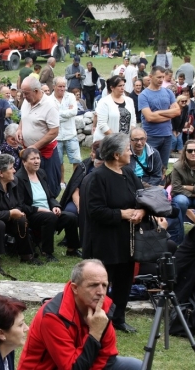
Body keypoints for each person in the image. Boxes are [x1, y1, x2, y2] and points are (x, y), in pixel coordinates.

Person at [17, 259, 143, 369]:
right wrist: (95, 333)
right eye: (93, 285)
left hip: (84, 364)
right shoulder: (53, 317)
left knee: (136, 366)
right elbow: (72, 367)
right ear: (75, 288)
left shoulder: (103, 307)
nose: (101, 292)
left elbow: (107, 356)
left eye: (104, 285)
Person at [81, 133, 145, 333]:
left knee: (125, 280)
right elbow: (95, 211)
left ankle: (118, 317)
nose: (130, 151)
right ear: (116, 154)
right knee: (101, 282)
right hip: (104, 240)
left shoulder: (128, 173)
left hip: (127, 238)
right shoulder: (97, 178)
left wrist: (142, 210)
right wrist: (122, 214)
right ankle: (97, 318)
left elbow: (142, 196)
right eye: (127, 149)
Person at [16, 148, 81, 262]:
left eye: (38, 158)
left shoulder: (41, 173)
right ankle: (47, 252)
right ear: (24, 162)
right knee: (50, 217)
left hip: (48, 211)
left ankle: (72, 249)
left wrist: (55, 206)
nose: (37, 161)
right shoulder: (19, 178)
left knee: (70, 217)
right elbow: (20, 205)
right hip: (32, 214)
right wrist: (40, 209)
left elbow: (50, 196)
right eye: (32, 159)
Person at [16, 77, 61, 198]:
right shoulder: (27, 101)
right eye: (22, 92)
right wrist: (20, 129)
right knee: (27, 184)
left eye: (26, 93)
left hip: (45, 155)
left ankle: (50, 210)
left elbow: (54, 131)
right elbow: (24, 117)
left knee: (47, 186)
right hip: (27, 152)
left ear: (36, 91)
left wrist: (34, 147)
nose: (23, 96)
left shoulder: (50, 106)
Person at [139, 66, 180, 170]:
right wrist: (169, 115)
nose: (161, 80)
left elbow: (177, 111)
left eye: (163, 77)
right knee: (150, 167)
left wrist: (158, 113)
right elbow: (149, 117)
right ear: (151, 76)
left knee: (163, 167)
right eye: (158, 77)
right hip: (151, 136)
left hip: (167, 135)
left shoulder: (168, 92)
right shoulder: (143, 95)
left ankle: (161, 186)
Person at [52, 77, 81, 189]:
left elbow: (74, 112)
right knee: (59, 161)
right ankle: (62, 182)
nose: (62, 89)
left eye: (64, 86)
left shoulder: (71, 96)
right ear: (54, 86)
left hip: (71, 134)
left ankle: (75, 182)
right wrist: (65, 114)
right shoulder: (49, 100)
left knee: (76, 159)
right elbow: (51, 117)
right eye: (60, 86)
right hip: (57, 135)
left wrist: (58, 114)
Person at [93, 75, 136, 142]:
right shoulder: (104, 102)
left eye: (123, 85)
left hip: (125, 141)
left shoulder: (129, 101)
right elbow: (102, 125)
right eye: (119, 86)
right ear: (112, 88)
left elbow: (133, 121)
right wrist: (117, 140)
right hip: (107, 141)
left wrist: (128, 138)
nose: (122, 88)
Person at [171, 140, 195, 223]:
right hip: (182, 196)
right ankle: (179, 228)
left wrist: (185, 186)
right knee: (181, 201)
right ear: (185, 152)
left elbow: (180, 187)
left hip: (186, 193)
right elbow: (176, 188)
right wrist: (192, 193)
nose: (193, 153)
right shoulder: (177, 166)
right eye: (190, 151)